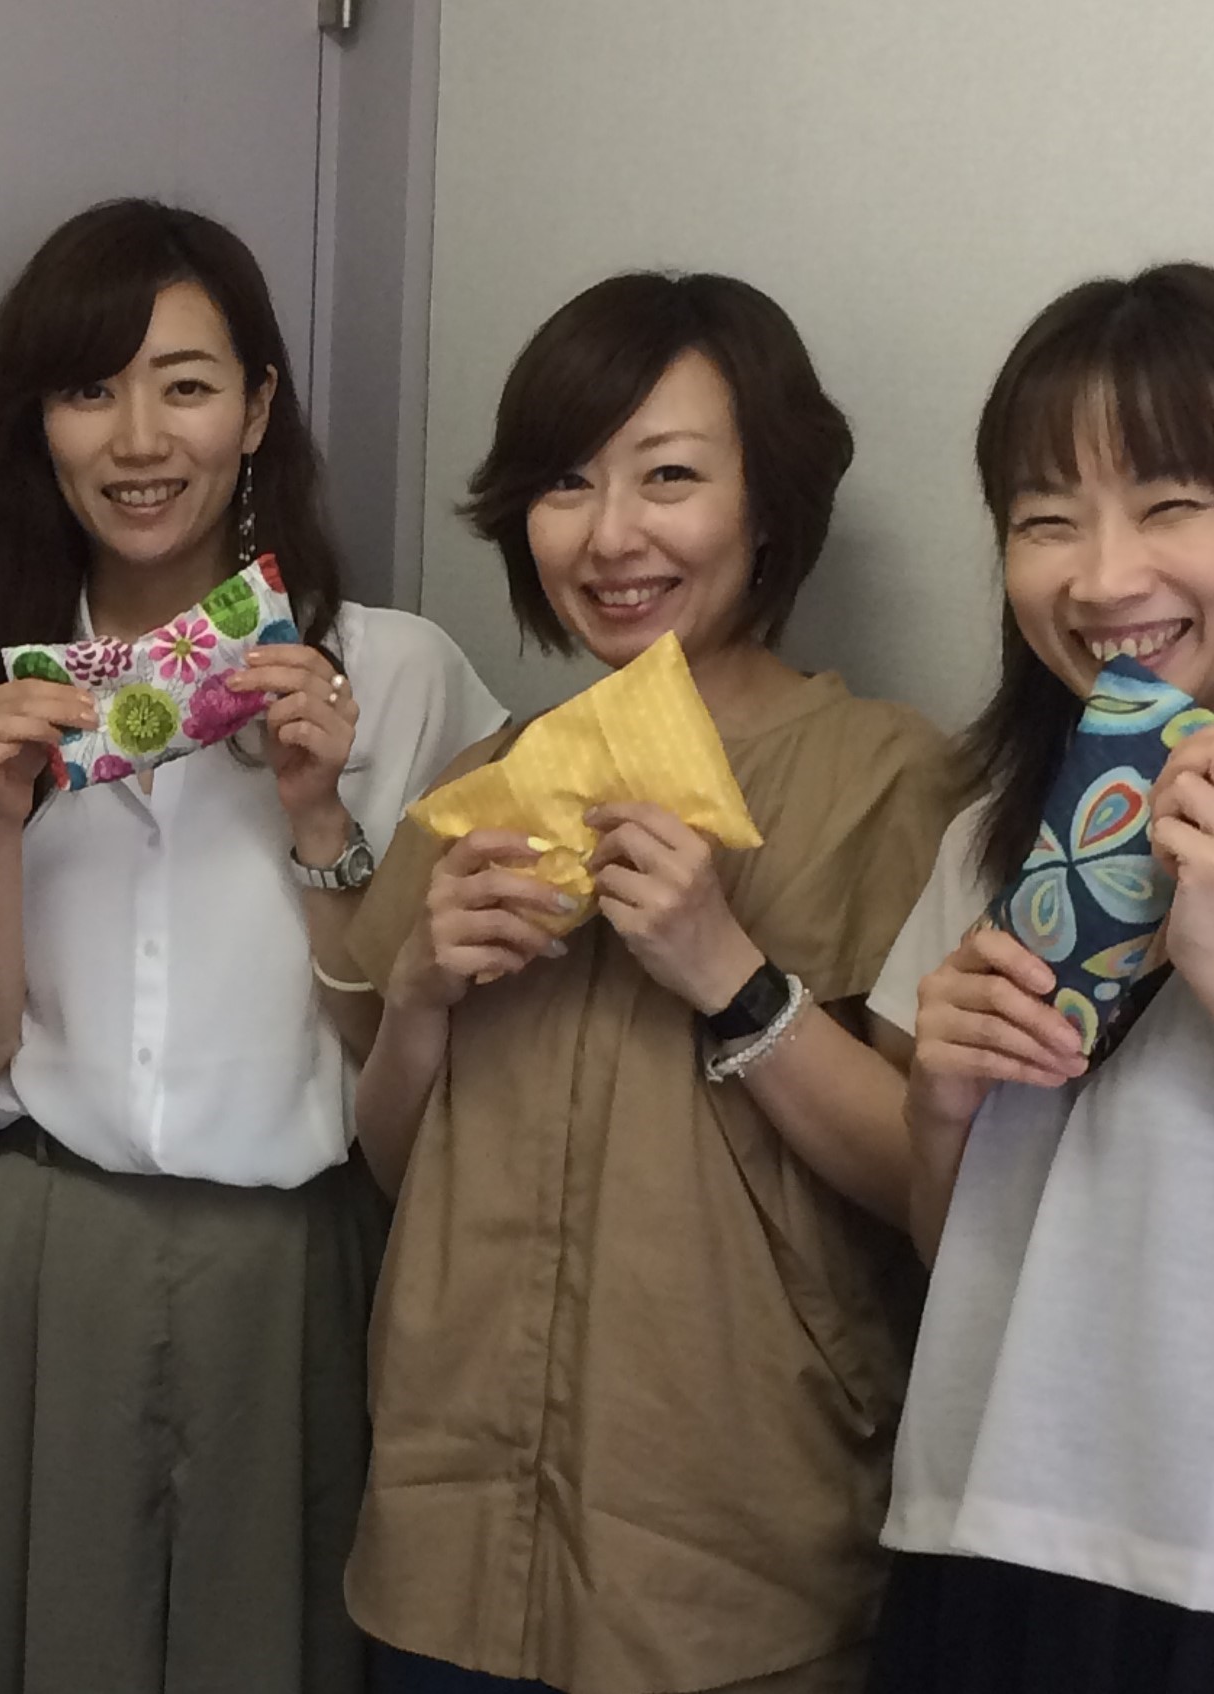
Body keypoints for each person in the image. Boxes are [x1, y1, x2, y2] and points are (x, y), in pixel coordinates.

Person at [0, 197, 504, 1694]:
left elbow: (415, 1053)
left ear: (258, 408)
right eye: (91, 390)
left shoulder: (403, 677)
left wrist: (317, 809)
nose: (140, 439)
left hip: (301, 1259)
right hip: (50, 1253)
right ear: (40, 425)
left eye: (188, 384)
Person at [344, 272, 953, 1694]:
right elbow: (396, 1161)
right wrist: (420, 994)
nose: (611, 534)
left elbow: (932, 1183)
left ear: (768, 501)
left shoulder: (893, 780)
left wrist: (727, 970)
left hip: (731, 1558)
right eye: (567, 482)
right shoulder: (485, 782)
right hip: (447, 1537)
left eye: (668, 476)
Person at [865, 262, 1214, 1693]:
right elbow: (959, 1246)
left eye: (1173, 502)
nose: (1103, 576)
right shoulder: (993, 840)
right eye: (1045, 519)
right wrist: (940, 1105)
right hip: (988, 1518)